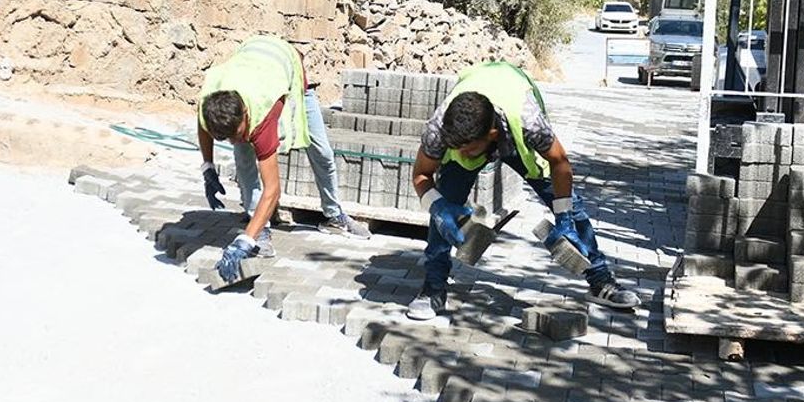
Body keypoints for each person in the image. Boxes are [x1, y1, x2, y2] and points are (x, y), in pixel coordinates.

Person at [407, 61, 641, 320]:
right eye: (456, 147)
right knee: (443, 210)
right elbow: (421, 174)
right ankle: (434, 287)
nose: (461, 154)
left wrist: (563, 218)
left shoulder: (528, 122)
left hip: (514, 127)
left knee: (569, 204)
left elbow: (560, 163)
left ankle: (601, 280)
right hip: (480, 108)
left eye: (468, 149)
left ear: (493, 134)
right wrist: (437, 207)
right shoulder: (439, 129)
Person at [197, 35, 371, 282]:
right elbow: (203, 125)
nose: (236, 140)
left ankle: (334, 215)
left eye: (238, 134)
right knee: (244, 160)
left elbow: (273, 189)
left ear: (246, 114)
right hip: (252, 61)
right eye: (227, 138)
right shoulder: (210, 102)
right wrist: (208, 167)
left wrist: (242, 241)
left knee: (321, 151)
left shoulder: (263, 112)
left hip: (290, 77)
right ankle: (261, 231)